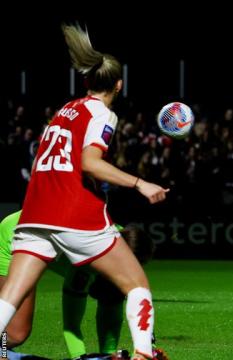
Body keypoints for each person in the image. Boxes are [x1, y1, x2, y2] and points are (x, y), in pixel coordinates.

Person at [0, 24, 169, 360]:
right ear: (118, 85)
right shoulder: (103, 113)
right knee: (137, 285)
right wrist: (140, 183)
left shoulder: (65, 111)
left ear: (87, 82)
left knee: (9, 298)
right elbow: (89, 162)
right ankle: (142, 354)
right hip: (73, 212)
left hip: (34, 213)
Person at [0, 211, 167, 359]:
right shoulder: (86, 261)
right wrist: (78, 358)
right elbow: (71, 324)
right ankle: (2, 350)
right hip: (16, 235)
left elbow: (131, 305)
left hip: (47, 230)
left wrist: (117, 354)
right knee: (15, 334)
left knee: (113, 293)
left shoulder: (126, 240)